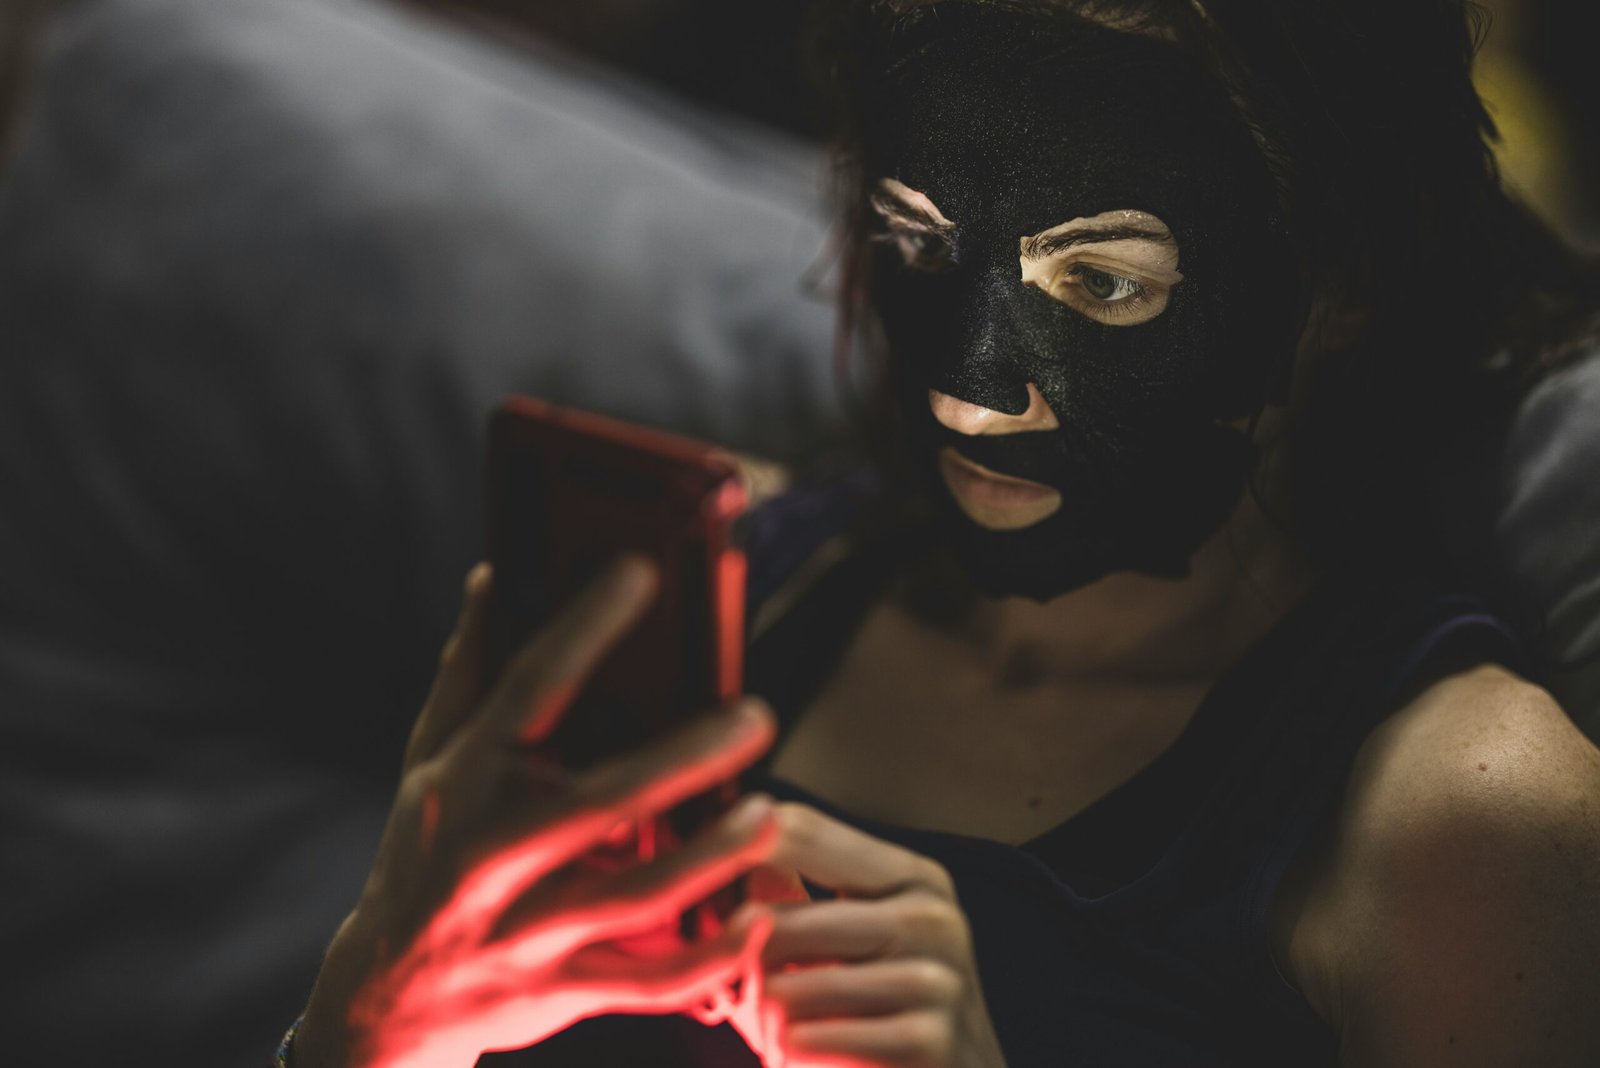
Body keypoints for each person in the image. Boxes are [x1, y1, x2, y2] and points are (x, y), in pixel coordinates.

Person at [279, 0, 1591, 1064]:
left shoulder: (1463, 817)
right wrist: (367, 1012)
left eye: (1105, 284)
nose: (970, 386)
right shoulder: (720, 596)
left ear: (1339, 280)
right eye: (922, 246)